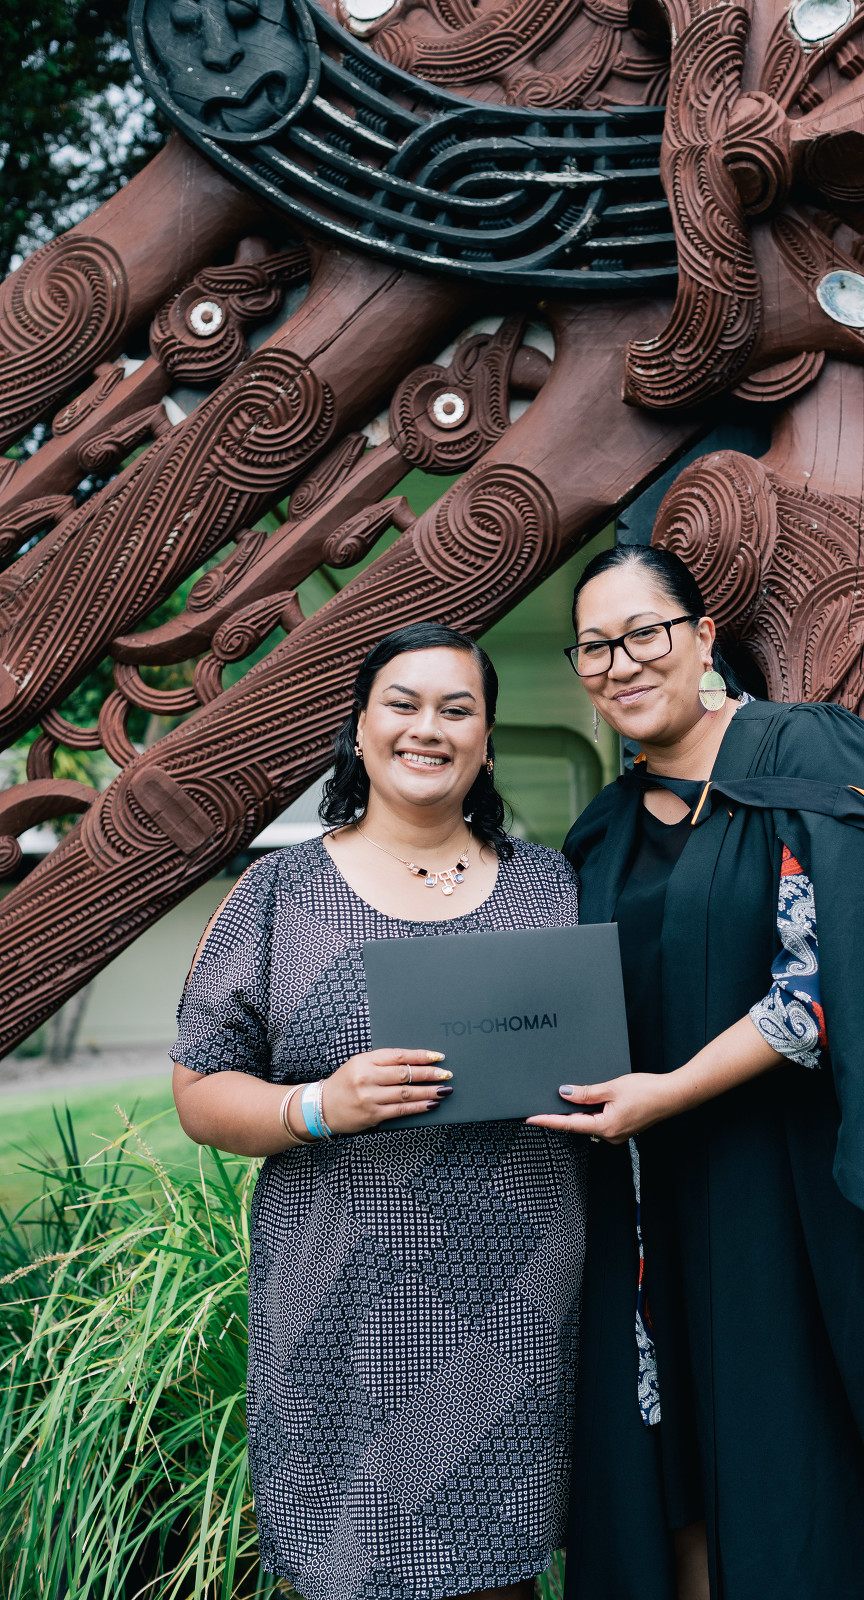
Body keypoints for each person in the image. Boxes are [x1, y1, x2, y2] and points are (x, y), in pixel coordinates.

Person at [528, 545, 864, 1600]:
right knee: (672, 1469)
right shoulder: (603, 832)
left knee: (798, 1456)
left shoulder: (806, 751)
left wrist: (667, 1091)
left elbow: (824, 986)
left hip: (801, 1186)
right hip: (653, 1198)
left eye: (642, 633)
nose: (619, 662)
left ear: (702, 638)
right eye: (593, 647)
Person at [171, 622, 583, 1600]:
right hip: (342, 1300)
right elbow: (198, 1090)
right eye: (401, 704)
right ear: (358, 728)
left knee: (496, 1571)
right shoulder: (279, 893)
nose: (426, 728)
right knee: (352, 1568)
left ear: (486, 741)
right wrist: (319, 1104)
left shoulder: (551, 887)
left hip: (513, 1298)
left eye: (456, 709)